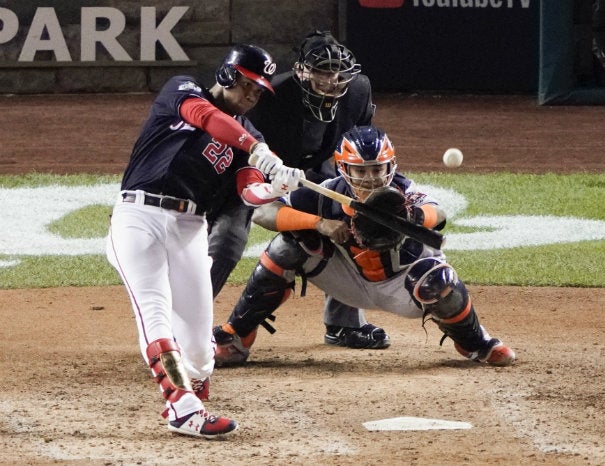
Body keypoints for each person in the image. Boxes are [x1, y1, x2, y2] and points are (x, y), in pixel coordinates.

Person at [105, 43, 305, 438]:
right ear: (228, 75)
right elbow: (207, 118)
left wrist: (276, 186)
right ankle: (182, 407)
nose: (253, 95)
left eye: (259, 90)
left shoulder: (251, 135)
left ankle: (191, 392)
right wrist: (256, 149)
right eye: (248, 84)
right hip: (138, 217)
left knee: (199, 349)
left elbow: (249, 193)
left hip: (190, 228)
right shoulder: (183, 91)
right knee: (154, 312)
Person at [210, 125, 517, 367]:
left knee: (441, 281)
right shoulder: (325, 193)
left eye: (378, 169)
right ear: (344, 168)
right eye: (361, 171)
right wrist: (318, 224)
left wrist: (411, 216)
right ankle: (237, 337)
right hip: (347, 282)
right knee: (287, 246)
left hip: (405, 287)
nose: (371, 179)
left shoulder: (406, 194)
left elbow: (440, 214)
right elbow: (263, 211)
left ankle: (475, 343)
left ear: (390, 167)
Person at [208, 31, 389, 364]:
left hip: (312, 173)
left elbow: (352, 149)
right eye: (321, 71)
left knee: (357, 211)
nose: (331, 81)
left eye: (337, 73)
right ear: (302, 71)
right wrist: (304, 209)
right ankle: (187, 327)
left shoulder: (358, 91)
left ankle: (344, 324)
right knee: (228, 240)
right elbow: (241, 157)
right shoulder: (269, 99)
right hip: (255, 173)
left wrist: (345, 198)